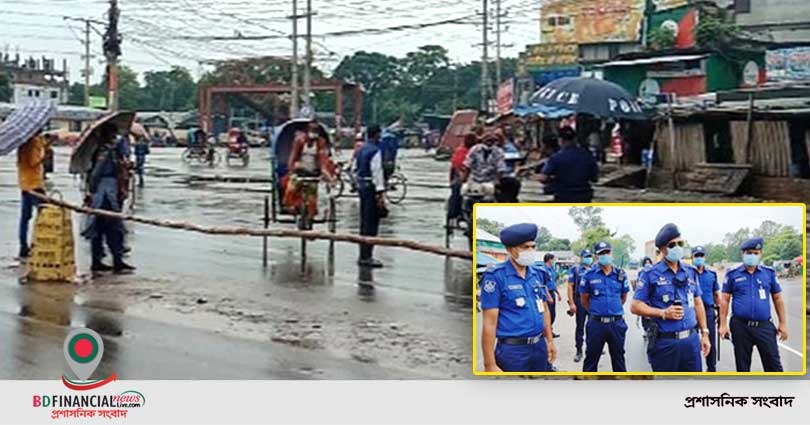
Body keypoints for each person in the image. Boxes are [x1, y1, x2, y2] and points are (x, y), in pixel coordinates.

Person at [631, 223, 710, 371]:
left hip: (691, 341)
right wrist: (662, 313)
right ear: (662, 249)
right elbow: (635, 306)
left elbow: (698, 303)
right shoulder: (650, 274)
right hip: (665, 343)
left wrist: (705, 332)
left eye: (680, 243)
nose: (677, 248)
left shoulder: (690, 271)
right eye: (672, 245)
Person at [479, 223, 556, 372]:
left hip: (539, 345)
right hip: (513, 351)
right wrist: (490, 364)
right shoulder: (496, 276)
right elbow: (489, 323)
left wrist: (550, 341)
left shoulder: (537, 273)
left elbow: (544, 308)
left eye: (533, 247)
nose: (530, 251)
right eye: (524, 247)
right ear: (510, 249)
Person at [719, 237, 787, 372]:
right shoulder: (733, 274)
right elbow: (725, 300)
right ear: (743, 254)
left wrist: (783, 323)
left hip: (764, 327)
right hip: (740, 327)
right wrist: (722, 325)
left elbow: (777, 298)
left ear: (761, 254)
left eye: (756, 253)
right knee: (743, 367)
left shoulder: (769, 273)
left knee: (774, 366)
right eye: (749, 252)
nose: (752, 256)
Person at [82, 123, 135, 274]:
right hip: (105, 192)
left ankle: (100, 260)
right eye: (113, 133)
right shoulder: (105, 150)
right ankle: (114, 261)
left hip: (104, 190)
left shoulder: (102, 149)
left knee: (99, 227)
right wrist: (92, 190)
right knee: (112, 227)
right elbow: (97, 172)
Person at [579, 241, 630, 372]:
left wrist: (612, 310)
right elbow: (584, 299)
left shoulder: (620, 274)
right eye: (601, 253)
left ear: (611, 253)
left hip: (616, 324)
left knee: (619, 360)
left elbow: (623, 297)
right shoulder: (589, 275)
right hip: (596, 324)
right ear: (596, 256)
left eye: (607, 252)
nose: (605, 255)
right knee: (591, 359)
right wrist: (597, 312)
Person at [284, 122, 333, 219]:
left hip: (314, 172)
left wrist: (326, 173)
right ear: (308, 131)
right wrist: (291, 168)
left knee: (312, 197)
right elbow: (293, 156)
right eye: (312, 131)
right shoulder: (300, 140)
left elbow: (323, 158)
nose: (313, 133)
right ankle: (291, 206)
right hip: (299, 170)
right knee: (291, 189)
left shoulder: (321, 142)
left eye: (316, 131)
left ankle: (311, 215)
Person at [353, 124, 386, 268]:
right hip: (371, 189)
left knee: (364, 221)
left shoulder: (361, 150)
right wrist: (380, 193)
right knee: (372, 224)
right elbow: (377, 173)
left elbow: (354, 169)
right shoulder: (375, 151)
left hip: (362, 187)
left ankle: (363, 254)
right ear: (377, 135)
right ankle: (367, 256)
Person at [538, 126, 599, 203]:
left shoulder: (556, 157)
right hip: (584, 196)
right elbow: (595, 178)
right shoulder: (588, 156)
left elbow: (543, 178)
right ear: (575, 139)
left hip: (563, 195)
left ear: (560, 140)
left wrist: (552, 179)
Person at [17, 131, 47, 260]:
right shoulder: (32, 142)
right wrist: (44, 156)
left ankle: (23, 247)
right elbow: (33, 162)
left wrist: (46, 145)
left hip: (25, 183)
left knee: (25, 218)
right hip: (35, 185)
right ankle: (41, 243)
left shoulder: (22, 144)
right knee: (45, 215)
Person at [692, 245, 720, 372]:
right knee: (692, 341)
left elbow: (716, 294)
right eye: (696, 256)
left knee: (710, 340)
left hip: (708, 310)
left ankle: (711, 368)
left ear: (705, 257)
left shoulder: (712, 274)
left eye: (701, 256)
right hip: (692, 311)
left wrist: (719, 311)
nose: (699, 258)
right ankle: (693, 367)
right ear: (692, 257)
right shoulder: (688, 273)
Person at [461, 133, 506, 199]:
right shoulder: (475, 149)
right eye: (488, 140)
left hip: (490, 179)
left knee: (494, 195)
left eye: (492, 141)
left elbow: (500, 168)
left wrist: (497, 180)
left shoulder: (498, 151)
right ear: (483, 140)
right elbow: (468, 165)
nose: (489, 143)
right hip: (475, 178)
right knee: (462, 191)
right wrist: (464, 179)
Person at [567, 249, 593, 362]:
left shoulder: (595, 269)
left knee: (593, 327)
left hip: (593, 302)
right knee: (580, 327)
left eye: (589, 256)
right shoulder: (576, 269)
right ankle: (579, 350)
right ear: (581, 258)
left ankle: (592, 348)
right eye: (586, 256)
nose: (588, 258)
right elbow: (569, 286)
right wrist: (572, 303)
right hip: (580, 301)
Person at [447, 133, 476, 221]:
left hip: (478, 178)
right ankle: (455, 212)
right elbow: (455, 167)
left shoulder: (478, 150)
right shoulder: (460, 151)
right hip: (463, 177)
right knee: (457, 189)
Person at [495, 131, 521, 202]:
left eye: (499, 137)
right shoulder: (491, 149)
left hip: (508, 176)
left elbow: (517, 164)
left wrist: (515, 173)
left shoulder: (511, 149)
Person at [540, 253, 561, 339]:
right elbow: (543, 284)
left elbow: (553, 283)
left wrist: (558, 293)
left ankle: (549, 330)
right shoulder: (543, 270)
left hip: (552, 293)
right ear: (549, 260)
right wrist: (548, 296)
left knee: (552, 314)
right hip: (547, 294)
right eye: (553, 259)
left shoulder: (551, 269)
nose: (553, 261)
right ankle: (545, 332)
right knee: (547, 314)